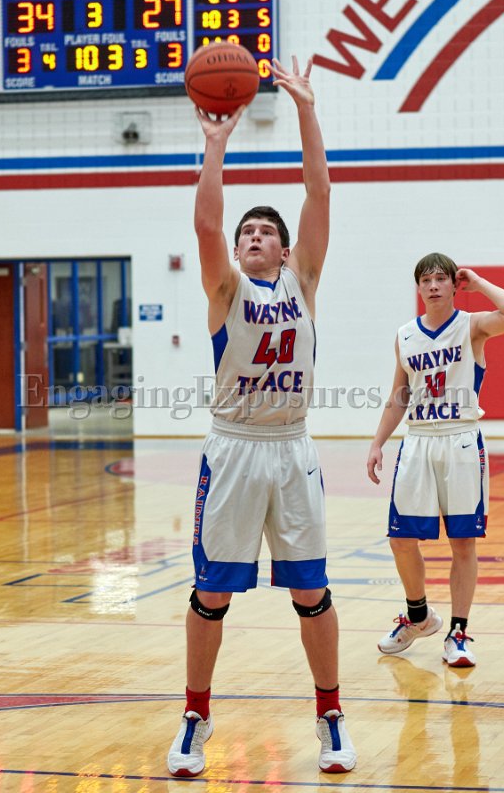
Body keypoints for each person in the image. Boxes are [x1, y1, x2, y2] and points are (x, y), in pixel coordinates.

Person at [167, 56, 356, 777]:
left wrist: (305, 107)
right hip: (235, 448)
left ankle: (330, 714)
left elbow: (319, 191)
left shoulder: (304, 280)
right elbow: (205, 222)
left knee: (310, 590)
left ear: (285, 247)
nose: (250, 236)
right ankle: (195, 715)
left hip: (292, 448)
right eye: (245, 231)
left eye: (263, 232)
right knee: (212, 591)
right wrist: (215, 145)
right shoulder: (225, 290)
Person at [367, 253, 504, 667]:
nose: (432, 285)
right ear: (419, 288)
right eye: (425, 280)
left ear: (453, 285)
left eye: (441, 279)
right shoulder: (405, 335)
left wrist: (479, 282)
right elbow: (399, 395)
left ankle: (458, 633)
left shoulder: (473, 326)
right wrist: (377, 442)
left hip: (460, 440)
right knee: (400, 539)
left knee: (462, 542)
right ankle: (419, 617)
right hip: (418, 440)